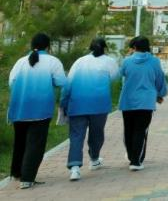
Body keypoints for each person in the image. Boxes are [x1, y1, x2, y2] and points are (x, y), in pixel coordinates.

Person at [7, 33, 67, 189]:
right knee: (35, 144)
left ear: (31, 45)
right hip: (40, 109)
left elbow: (11, 82)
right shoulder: (53, 61)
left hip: (19, 107)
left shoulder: (20, 62)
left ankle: (16, 173)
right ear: (48, 46)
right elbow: (62, 82)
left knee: (20, 142)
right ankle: (27, 178)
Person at [60, 37, 120, 181]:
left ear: (90, 47)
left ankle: (74, 168)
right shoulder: (110, 62)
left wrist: (64, 102)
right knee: (97, 134)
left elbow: (68, 84)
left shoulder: (79, 61)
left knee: (76, 136)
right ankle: (94, 159)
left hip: (77, 103)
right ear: (105, 48)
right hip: (99, 104)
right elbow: (115, 78)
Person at [119, 36, 168, 171]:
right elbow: (160, 79)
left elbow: (122, 75)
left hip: (128, 101)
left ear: (134, 47)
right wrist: (160, 94)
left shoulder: (126, 61)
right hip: (146, 102)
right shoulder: (154, 61)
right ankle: (136, 161)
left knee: (128, 130)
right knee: (140, 130)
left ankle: (131, 156)